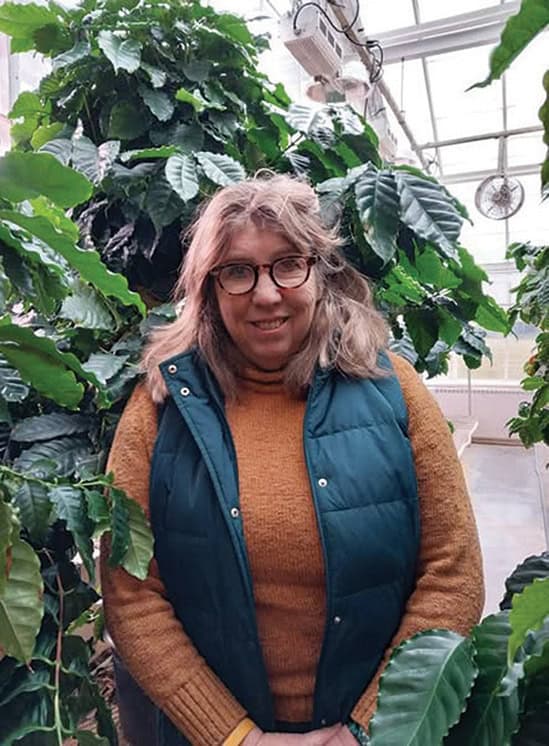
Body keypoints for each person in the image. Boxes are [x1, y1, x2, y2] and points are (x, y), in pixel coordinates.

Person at [100, 174, 484, 746]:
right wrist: (235, 737)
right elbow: (131, 592)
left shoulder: (393, 389)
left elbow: (452, 572)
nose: (266, 293)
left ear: (320, 272)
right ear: (208, 289)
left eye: (287, 264)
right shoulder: (160, 406)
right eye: (237, 271)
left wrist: (369, 725)